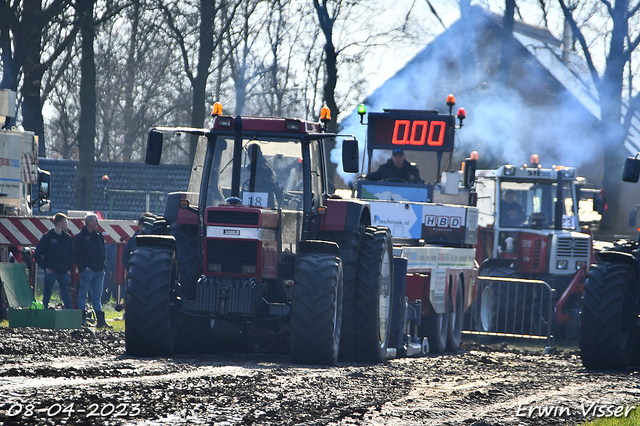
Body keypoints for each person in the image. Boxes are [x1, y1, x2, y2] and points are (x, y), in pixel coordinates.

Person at [72, 212, 109, 328]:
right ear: (88, 222)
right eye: (94, 221)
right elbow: (76, 254)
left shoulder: (99, 235)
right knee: (83, 294)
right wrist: (84, 267)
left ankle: (100, 321)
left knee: (97, 296)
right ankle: (82, 319)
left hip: (99, 270)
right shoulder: (80, 237)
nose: (97, 223)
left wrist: (103, 265)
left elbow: (103, 251)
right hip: (88, 271)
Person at [34, 212, 73, 309]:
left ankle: (70, 317)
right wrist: (45, 267)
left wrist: (69, 269)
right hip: (51, 271)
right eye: (65, 222)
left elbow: (71, 255)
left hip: (64, 272)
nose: (66, 224)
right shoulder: (47, 237)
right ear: (59, 223)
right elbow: (37, 254)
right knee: (47, 294)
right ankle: (43, 315)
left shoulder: (68, 238)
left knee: (66, 297)